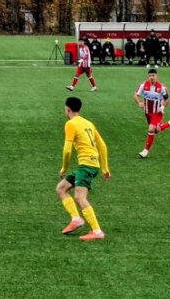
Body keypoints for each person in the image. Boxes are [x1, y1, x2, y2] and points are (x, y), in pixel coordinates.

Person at [56, 96, 111, 241]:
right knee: (61, 188)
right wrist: (105, 168)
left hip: (86, 165)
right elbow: (102, 145)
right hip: (91, 165)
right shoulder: (88, 123)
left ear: (67, 109)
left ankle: (97, 231)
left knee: (80, 197)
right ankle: (76, 219)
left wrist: (64, 168)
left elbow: (67, 151)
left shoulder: (70, 124)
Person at [134, 68, 170, 158]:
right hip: (147, 112)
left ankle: (145, 151)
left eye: (153, 75)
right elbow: (136, 95)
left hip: (157, 113)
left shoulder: (162, 87)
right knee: (156, 130)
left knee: (151, 129)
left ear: (156, 76)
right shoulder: (143, 85)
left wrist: (162, 107)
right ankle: (169, 124)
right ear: (148, 76)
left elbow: (167, 100)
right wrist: (139, 102)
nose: (151, 77)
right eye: (150, 76)